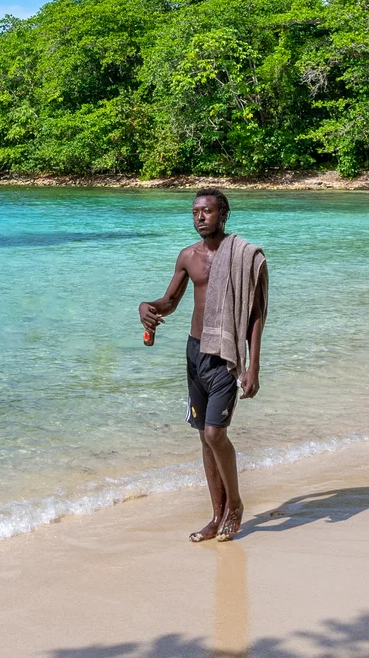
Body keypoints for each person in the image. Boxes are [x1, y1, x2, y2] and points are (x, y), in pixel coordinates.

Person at [139, 188, 269, 544]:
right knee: (203, 436)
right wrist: (146, 308)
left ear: (223, 215)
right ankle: (217, 515)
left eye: (208, 211)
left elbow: (257, 315)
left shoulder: (245, 256)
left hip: (224, 356)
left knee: (215, 434)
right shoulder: (188, 257)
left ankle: (236, 505)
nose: (200, 217)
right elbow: (169, 302)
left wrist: (253, 366)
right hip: (195, 353)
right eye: (195, 211)